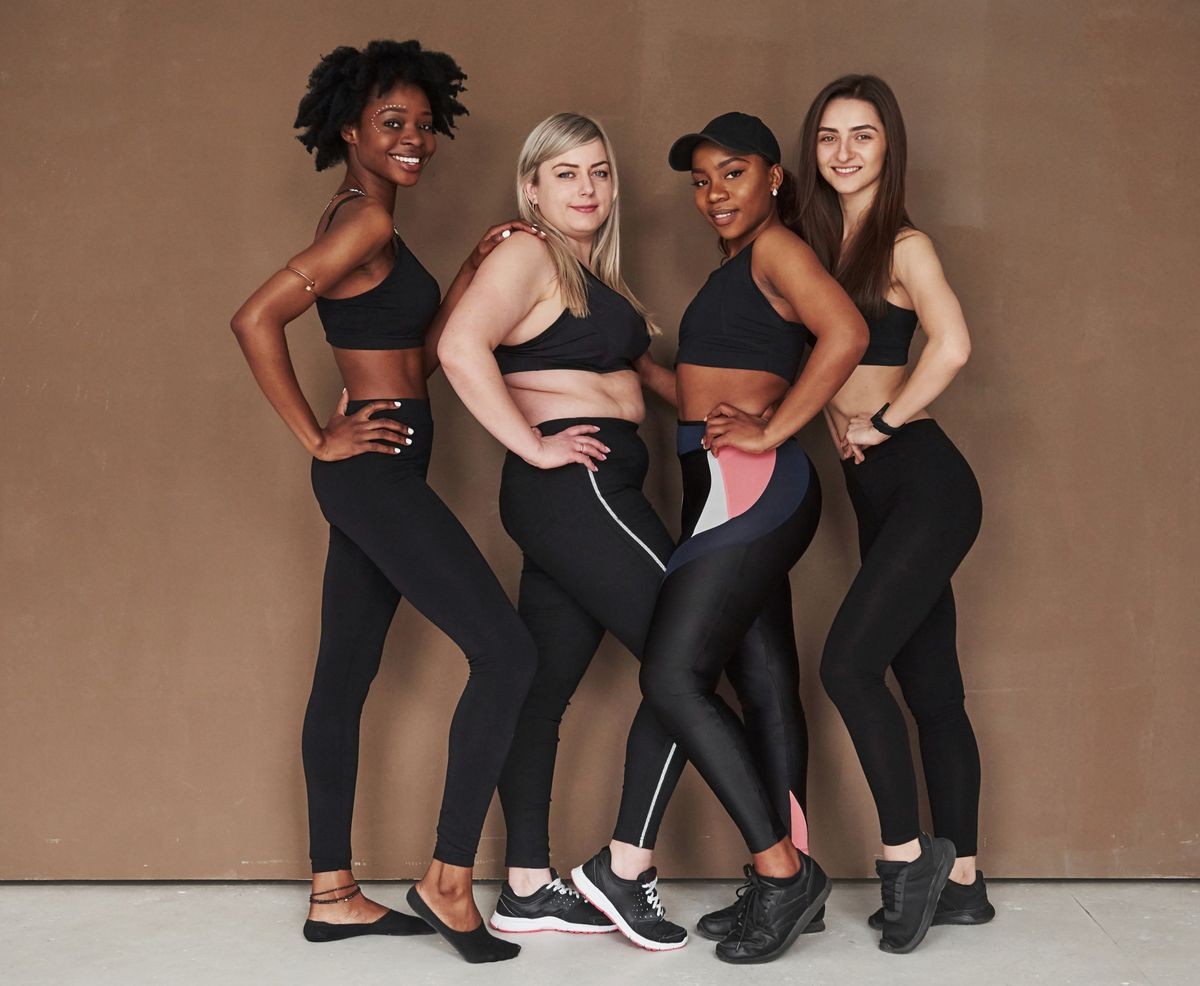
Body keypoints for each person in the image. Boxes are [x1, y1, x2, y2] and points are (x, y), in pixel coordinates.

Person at [230, 39, 541, 964]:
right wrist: (317, 435)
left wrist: (466, 280)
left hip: (381, 472)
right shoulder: (362, 222)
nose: (413, 139)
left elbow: (413, 353)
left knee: (344, 676)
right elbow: (254, 320)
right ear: (349, 131)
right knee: (508, 650)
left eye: (422, 123)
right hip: (371, 471)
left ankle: (334, 894)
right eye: (390, 124)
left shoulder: (375, 223)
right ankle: (447, 885)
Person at [438, 112, 690, 951]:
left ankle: (526, 886)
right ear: (532, 187)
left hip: (590, 490)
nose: (588, 189)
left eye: (600, 173)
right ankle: (627, 866)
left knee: (541, 691)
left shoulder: (589, 274)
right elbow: (458, 345)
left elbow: (635, 375)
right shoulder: (528, 252)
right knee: (688, 658)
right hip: (575, 487)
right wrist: (533, 445)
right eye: (567, 174)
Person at [632, 112, 867, 964]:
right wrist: (624, 353)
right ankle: (787, 874)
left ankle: (782, 874)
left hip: (756, 487)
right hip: (718, 485)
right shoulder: (735, 267)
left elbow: (846, 334)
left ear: (772, 176)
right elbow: (696, 393)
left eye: (731, 174)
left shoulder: (777, 249)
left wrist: (774, 432)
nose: (713, 194)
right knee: (763, 681)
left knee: (672, 674)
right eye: (700, 181)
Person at [796, 74, 991, 955]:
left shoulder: (903, 246)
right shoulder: (812, 246)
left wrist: (881, 420)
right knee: (932, 690)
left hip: (925, 483)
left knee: (846, 666)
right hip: (878, 496)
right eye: (830, 137)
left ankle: (906, 859)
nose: (843, 152)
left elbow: (952, 345)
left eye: (862, 136)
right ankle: (964, 884)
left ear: (889, 146)